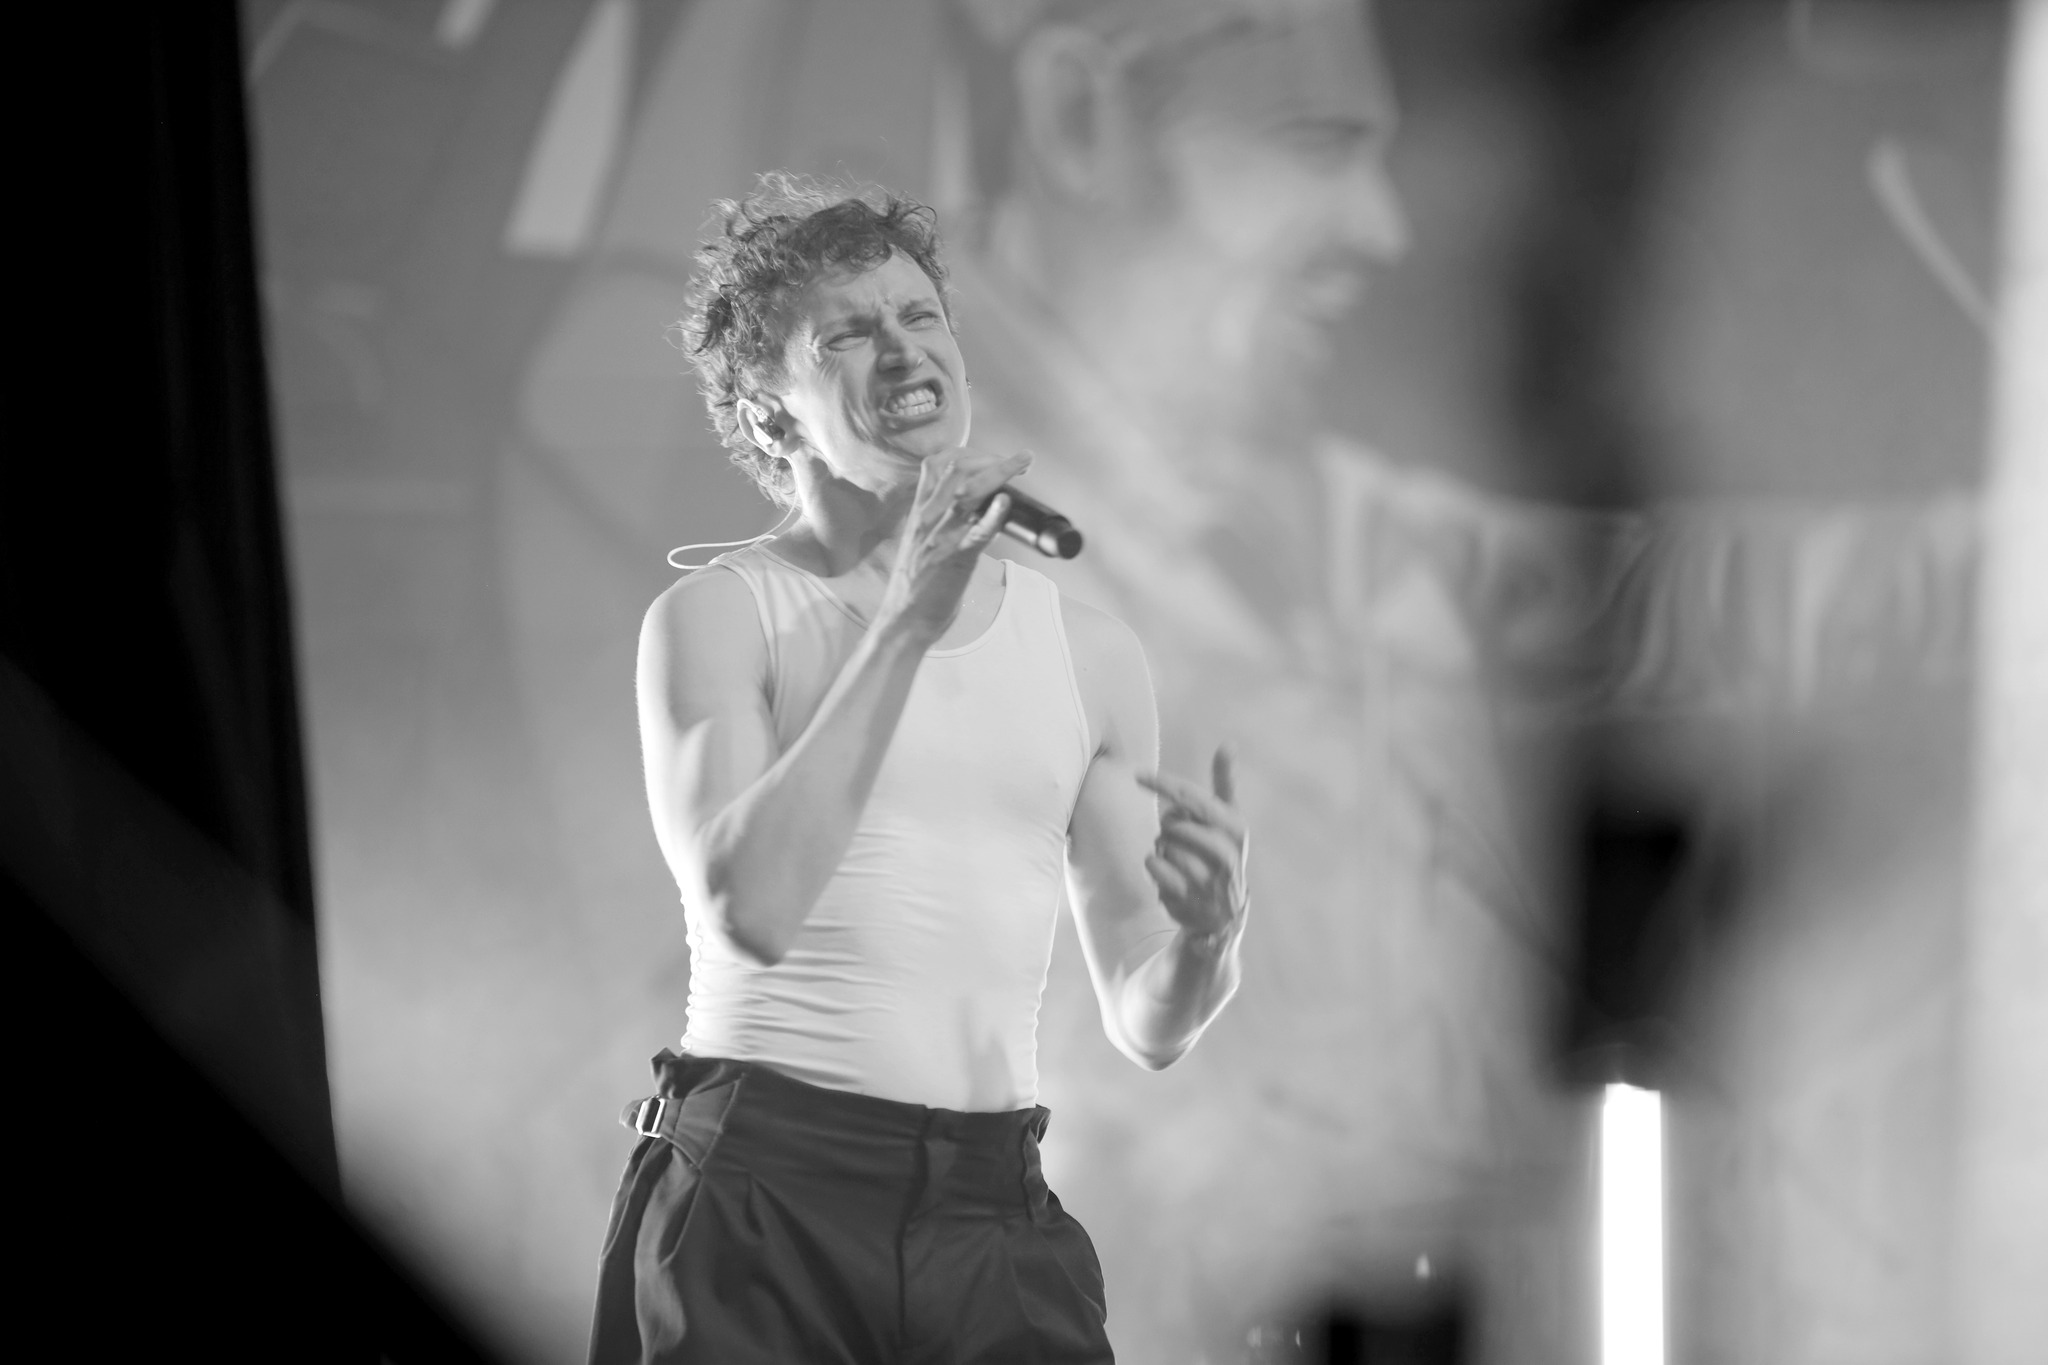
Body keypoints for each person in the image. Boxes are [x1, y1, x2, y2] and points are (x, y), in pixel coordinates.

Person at [585, 176, 1250, 1364]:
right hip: (761, 1194)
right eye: (847, 333)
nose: (902, 350)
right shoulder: (721, 617)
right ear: (771, 416)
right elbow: (749, 910)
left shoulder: (1088, 651)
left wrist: (1206, 943)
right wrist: (904, 622)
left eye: (919, 316)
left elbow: (1148, 1022)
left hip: (991, 1212)